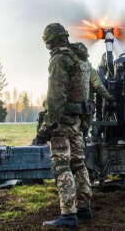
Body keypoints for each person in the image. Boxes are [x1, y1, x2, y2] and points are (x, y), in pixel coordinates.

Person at [42, 23, 92, 228]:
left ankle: (68, 214)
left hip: (61, 122)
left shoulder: (59, 59)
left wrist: (47, 126)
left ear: (50, 40)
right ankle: (84, 207)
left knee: (62, 165)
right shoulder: (81, 60)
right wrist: (85, 123)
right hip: (78, 121)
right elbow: (88, 96)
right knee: (79, 164)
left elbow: (56, 97)